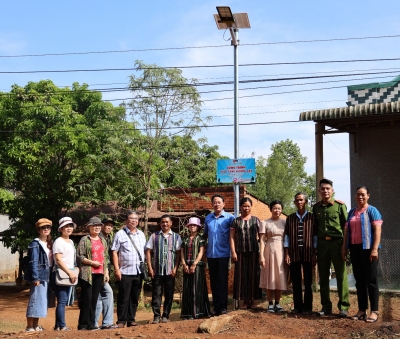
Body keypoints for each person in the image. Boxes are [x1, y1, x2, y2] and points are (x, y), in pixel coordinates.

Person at [343, 186, 383, 323]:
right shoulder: (351, 212)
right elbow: (347, 231)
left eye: (363, 195)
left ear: (368, 196)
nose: (360, 197)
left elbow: (377, 230)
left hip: (369, 249)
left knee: (371, 280)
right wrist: (344, 247)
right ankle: (362, 310)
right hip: (355, 249)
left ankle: (374, 311)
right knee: (359, 281)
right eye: (358, 195)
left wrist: (375, 249)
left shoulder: (372, 211)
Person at [313, 178, 350, 317]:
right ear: (319, 191)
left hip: (337, 243)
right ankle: (326, 306)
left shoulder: (340, 206)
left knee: (341, 275)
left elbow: (346, 226)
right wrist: (315, 249)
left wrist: (345, 246)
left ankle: (344, 307)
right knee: (323, 276)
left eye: (328, 188)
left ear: (332, 190)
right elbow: (315, 229)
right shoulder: (316, 207)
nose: (325, 191)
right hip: (322, 244)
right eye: (323, 189)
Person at [284, 193, 317, 314]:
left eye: (301, 200)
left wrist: (314, 253)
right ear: (294, 202)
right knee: (296, 281)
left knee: (308, 282)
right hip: (294, 254)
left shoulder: (312, 218)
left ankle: (307, 307)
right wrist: (287, 253)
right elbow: (286, 237)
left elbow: (315, 237)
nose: (299, 202)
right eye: (297, 200)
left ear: (306, 201)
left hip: (308, 253)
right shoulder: (290, 218)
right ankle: (297, 306)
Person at [112, 211, 146, 328]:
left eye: (136, 219)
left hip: (138, 271)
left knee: (134, 297)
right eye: (131, 218)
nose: (134, 221)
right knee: (123, 297)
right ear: (127, 220)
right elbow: (114, 252)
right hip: (125, 271)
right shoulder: (119, 234)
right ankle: (121, 321)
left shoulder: (141, 234)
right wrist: (117, 269)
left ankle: (131, 319)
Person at [145, 214, 182, 324]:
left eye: (167, 222)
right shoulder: (154, 236)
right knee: (156, 294)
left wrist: (175, 268)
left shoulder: (176, 237)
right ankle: (156, 316)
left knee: (169, 294)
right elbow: (148, 251)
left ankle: (166, 315)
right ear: (160, 224)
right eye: (163, 222)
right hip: (157, 271)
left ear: (171, 223)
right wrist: (150, 268)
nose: (165, 224)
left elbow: (179, 254)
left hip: (170, 271)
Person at [203, 194, 235, 316]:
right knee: (214, 282)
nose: (217, 204)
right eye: (215, 202)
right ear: (212, 204)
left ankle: (223, 307)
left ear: (224, 204)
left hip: (223, 254)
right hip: (211, 255)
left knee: (223, 281)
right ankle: (216, 308)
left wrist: (233, 252)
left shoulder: (229, 218)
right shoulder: (208, 218)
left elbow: (233, 236)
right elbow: (205, 235)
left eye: (219, 202)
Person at [76, 217, 109, 331]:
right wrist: (92, 262)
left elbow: (105, 258)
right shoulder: (84, 240)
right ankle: (83, 325)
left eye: (99, 225)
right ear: (89, 227)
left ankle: (91, 324)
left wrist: (106, 272)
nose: (97, 227)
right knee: (87, 299)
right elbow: (80, 256)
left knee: (94, 299)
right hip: (87, 273)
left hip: (99, 273)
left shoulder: (102, 240)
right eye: (94, 225)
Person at [230, 197, 262, 309]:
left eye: (248, 206)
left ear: (251, 207)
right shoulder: (236, 221)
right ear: (240, 207)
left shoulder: (256, 220)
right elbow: (232, 238)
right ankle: (244, 301)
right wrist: (233, 252)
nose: (246, 208)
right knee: (241, 277)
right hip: (240, 252)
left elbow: (261, 237)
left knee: (253, 276)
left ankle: (252, 301)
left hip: (253, 251)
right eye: (244, 206)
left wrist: (261, 253)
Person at [24, 218, 53, 332]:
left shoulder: (49, 243)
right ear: (38, 229)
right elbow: (33, 262)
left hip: (47, 275)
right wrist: (35, 277)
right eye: (43, 227)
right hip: (39, 276)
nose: (46, 229)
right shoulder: (35, 244)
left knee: (41, 301)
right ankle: (29, 326)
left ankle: (36, 325)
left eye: (48, 227)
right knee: (35, 300)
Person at [259, 200, 287, 313]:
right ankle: (270, 303)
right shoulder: (264, 222)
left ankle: (278, 303)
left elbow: (287, 239)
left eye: (279, 208)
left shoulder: (285, 222)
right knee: (269, 276)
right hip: (269, 250)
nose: (277, 210)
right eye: (275, 208)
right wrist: (261, 255)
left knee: (279, 276)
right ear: (270, 209)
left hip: (281, 250)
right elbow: (261, 240)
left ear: (281, 210)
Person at [180, 217, 211, 319]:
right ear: (188, 227)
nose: (192, 227)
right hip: (186, 266)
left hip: (197, 266)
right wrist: (184, 264)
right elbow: (182, 252)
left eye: (194, 225)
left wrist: (194, 264)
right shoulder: (184, 239)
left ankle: (199, 312)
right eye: (191, 225)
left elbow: (201, 252)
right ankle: (188, 314)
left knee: (198, 288)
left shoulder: (201, 238)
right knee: (188, 289)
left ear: (198, 227)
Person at [53, 216, 78, 331]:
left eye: (70, 226)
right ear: (61, 229)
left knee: (63, 300)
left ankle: (58, 325)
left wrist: (75, 271)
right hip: (61, 273)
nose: (69, 228)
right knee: (62, 300)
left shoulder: (71, 241)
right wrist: (69, 272)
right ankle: (62, 325)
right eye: (66, 226)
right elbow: (58, 259)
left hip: (69, 274)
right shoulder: (58, 241)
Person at [94, 217, 117, 330]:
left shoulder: (107, 239)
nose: (109, 227)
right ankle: (103, 323)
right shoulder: (97, 238)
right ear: (101, 225)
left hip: (103, 271)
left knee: (100, 296)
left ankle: (102, 323)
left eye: (111, 226)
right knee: (106, 293)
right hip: (95, 272)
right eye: (107, 225)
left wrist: (107, 270)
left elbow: (107, 258)